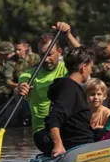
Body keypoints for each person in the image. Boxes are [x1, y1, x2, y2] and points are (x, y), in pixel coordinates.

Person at [15, 22, 80, 154]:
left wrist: (68, 35)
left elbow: (84, 57)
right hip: (42, 131)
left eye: (50, 54)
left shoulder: (67, 69)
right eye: (42, 55)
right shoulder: (29, 75)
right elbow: (17, 91)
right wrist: (20, 89)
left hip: (67, 126)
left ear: (59, 52)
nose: (46, 59)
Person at [43, 46, 96, 157]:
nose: (91, 71)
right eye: (91, 67)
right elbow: (54, 117)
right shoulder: (69, 88)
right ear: (83, 67)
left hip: (86, 141)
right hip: (78, 146)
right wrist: (58, 145)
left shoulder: (72, 87)